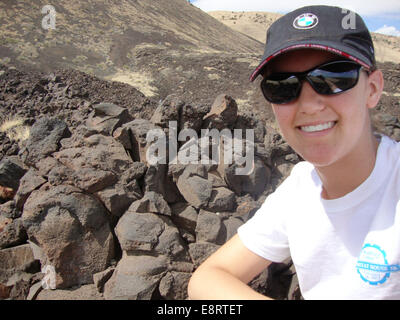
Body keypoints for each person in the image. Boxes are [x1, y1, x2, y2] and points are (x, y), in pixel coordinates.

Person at [188, 5, 400, 300]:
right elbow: (208, 278)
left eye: (334, 78)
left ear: (373, 89)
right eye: (282, 86)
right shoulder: (300, 189)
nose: (309, 105)